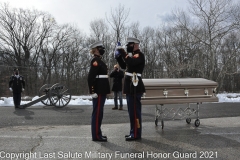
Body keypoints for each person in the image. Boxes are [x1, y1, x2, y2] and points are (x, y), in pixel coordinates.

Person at [115, 37, 145, 141]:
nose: (128, 47)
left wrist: (122, 51)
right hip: (130, 87)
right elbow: (124, 65)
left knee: (135, 112)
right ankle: (133, 132)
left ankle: (136, 134)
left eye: (129, 45)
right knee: (131, 112)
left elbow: (131, 62)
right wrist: (118, 57)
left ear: (135, 45)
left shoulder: (139, 55)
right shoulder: (131, 56)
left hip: (135, 87)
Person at [87, 41, 110, 142]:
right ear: (96, 49)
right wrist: (92, 91)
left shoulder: (99, 61)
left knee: (99, 113)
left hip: (102, 90)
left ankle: (98, 133)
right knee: (97, 114)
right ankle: (96, 135)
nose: (102, 49)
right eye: (100, 48)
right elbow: (90, 77)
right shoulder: (95, 61)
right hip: (99, 90)